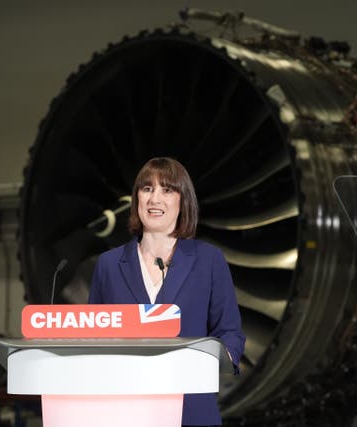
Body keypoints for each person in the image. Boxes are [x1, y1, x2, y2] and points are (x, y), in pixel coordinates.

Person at [88, 157, 245, 426]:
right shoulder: (108, 265)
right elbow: (92, 336)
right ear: (136, 198)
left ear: (183, 200)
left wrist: (221, 358)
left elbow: (230, 332)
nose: (154, 199)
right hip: (124, 410)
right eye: (147, 189)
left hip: (191, 409)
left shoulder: (209, 261)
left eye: (167, 190)